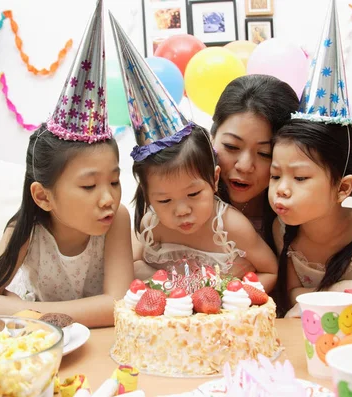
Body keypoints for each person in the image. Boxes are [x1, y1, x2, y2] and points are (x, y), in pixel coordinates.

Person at [0, 1, 134, 328]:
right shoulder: (26, 228)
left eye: (114, 181)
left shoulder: (116, 219)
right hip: (45, 343)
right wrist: (17, 313)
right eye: (89, 185)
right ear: (43, 196)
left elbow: (118, 304)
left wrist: (25, 313)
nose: (108, 198)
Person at [108, 15, 277, 288]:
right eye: (164, 200)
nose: (182, 210)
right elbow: (134, 266)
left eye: (264, 152)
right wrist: (170, 286)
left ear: (213, 178)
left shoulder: (232, 227)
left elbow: (270, 271)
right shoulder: (151, 223)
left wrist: (233, 296)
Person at [270, 0, 352, 318]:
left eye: (299, 178)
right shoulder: (283, 230)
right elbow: (293, 293)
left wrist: (337, 292)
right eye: (275, 176)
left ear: (342, 188)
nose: (281, 189)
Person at [210, 75, 299, 252]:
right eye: (231, 146)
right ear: (212, 138)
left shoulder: (299, 215)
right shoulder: (180, 190)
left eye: (265, 153)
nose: (244, 166)